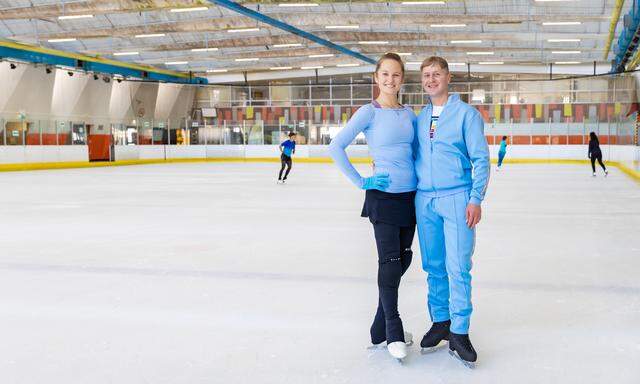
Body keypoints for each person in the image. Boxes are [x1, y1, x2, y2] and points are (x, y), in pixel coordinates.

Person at [329, 53, 417, 362]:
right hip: (383, 197)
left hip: (410, 197)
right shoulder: (369, 112)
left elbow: (418, 152)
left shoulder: (409, 114)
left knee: (403, 259)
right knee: (390, 263)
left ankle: (379, 328)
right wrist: (361, 181)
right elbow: (335, 146)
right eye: (385, 75)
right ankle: (393, 329)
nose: (391, 80)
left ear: (401, 79)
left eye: (396, 75)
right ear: (376, 78)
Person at [414, 56, 490, 368]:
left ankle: (459, 331)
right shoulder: (420, 116)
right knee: (433, 265)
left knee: (458, 266)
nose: (431, 80)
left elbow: (481, 159)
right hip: (424, 199)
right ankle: (440, 321)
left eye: (436, 74)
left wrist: (475, 198)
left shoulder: (466, 115)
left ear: (448, 78)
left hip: (457, 197)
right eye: (426, 76)